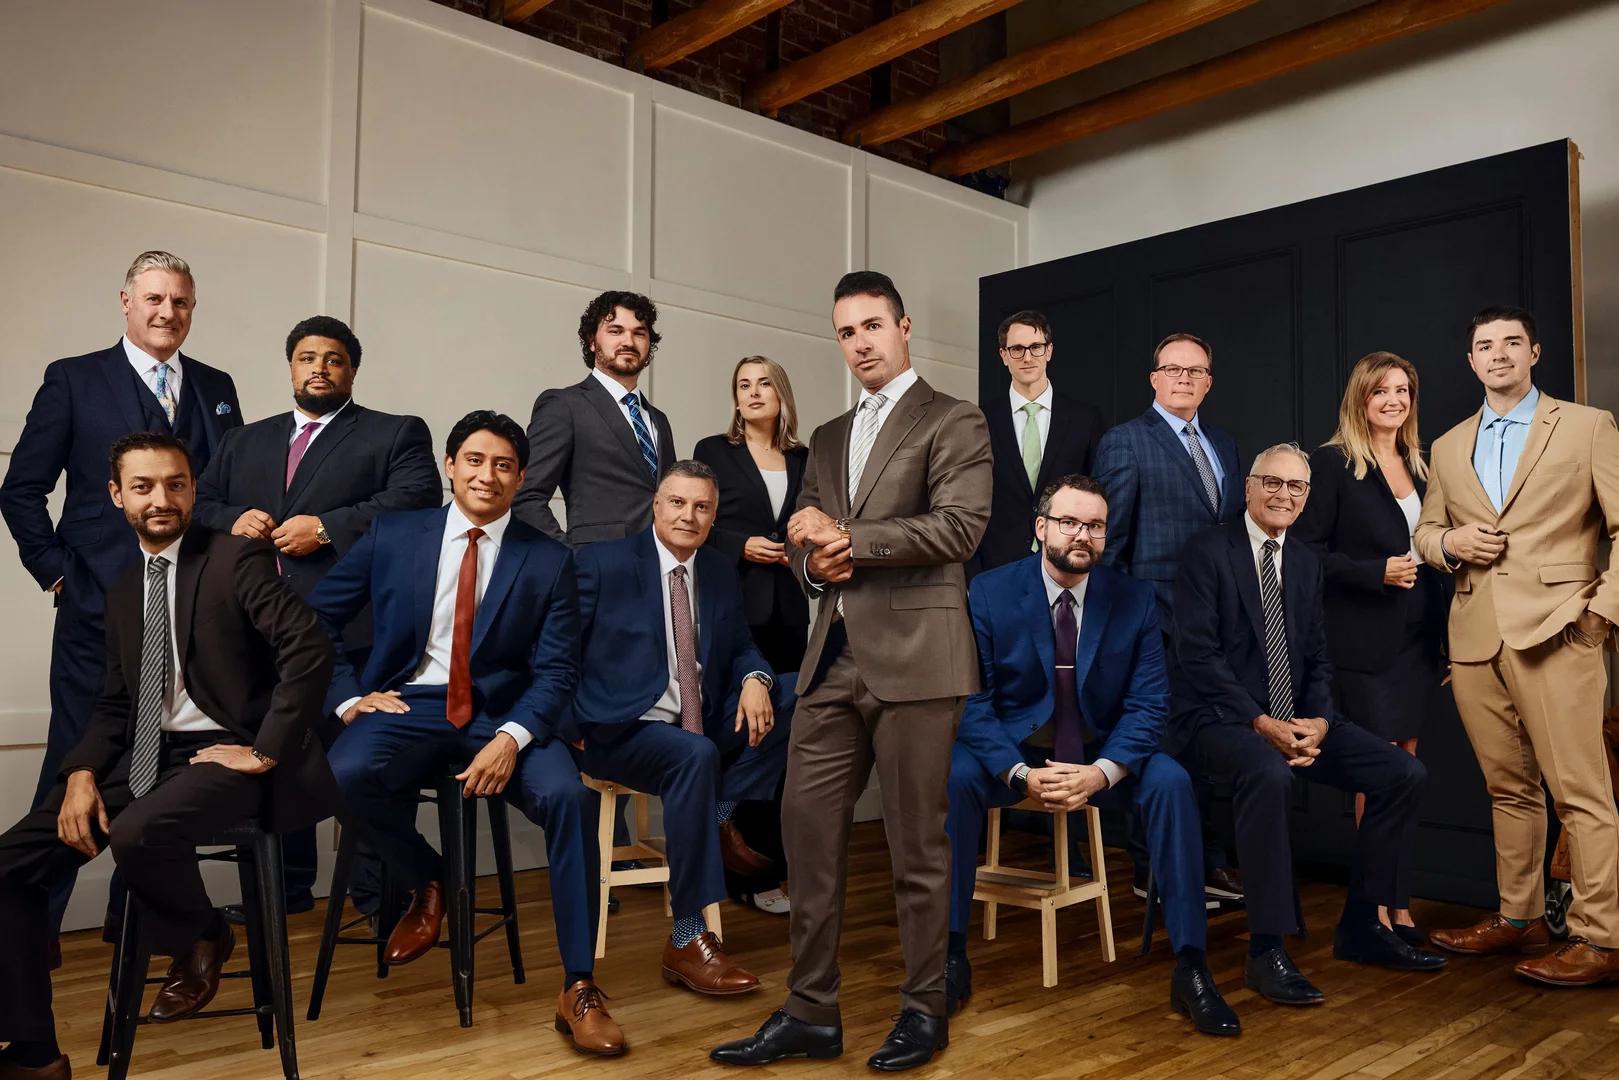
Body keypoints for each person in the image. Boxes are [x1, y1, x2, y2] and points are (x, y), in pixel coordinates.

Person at [713, 271, 992, 1072]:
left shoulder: (955, 420)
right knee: (807, 840)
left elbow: (959, 528)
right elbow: (805, 547)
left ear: (904, 328)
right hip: (830, 658)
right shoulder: (829, 436)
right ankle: (810, 1012)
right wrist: (811, 557)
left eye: (872, 326)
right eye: (845, 332)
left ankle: (923, 1009)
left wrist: (844, 536)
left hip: (918, 659)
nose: (860, 343)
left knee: (916, 849)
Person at [0, 432, 335, 1080]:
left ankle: (202, 934)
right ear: (116, 495)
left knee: (136, 831)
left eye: (175, 484)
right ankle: (36, 1054)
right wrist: (78, 775)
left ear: (191, 489)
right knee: (8, 866)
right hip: (149, 756)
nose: (162, 498)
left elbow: (309, 648)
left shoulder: (234, 558)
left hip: (229, 753)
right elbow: (113, 705)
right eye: (144, 486)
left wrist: (264, 751)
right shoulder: (125, 590)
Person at [307, 411, 625, 1056]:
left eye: (504, 465)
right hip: (409, 702)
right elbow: (313, 619)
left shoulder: (547, 558)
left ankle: (580, 986)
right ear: (451, 467)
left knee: (570, 799)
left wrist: (511, 737)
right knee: (340, 774)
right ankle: (432, 877)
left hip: (500, 713)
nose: (488, 474)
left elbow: (559, 667)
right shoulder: (394, 534)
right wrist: (347, 700)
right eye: (474, 460)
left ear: (522, 478)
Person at [0, 252, 243, 942]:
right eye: (156, 299)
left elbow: (219, 496)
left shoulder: (217, 387)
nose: (169, 313)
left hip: (189, 613)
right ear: (126, 302)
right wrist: (58, 575)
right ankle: (28, 937)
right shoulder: (74, 380)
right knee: (73, 767)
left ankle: (139, 930)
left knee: (160, 772)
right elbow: (20, 491)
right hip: (97, 612)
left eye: (182, 303)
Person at [948, 475, 1239, 1036]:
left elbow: (1151, 703)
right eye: (1069, 522)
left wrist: (1102, 774)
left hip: (1101, 754)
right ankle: (950, 956)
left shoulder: (1133, 599)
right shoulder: (988, 591)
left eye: (1095, 526)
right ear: (1042, 528)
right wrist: (1019, 773)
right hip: (1016, 754)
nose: (1082, 534)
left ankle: (1192, 967)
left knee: (1171, 782)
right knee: (955, 777)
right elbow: (971, 702)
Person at [1168, 443, 1446, 1011]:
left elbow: (1319, 656)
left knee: (1402, 773)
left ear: (1306, 498)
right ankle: (1265, 949)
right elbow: (1197, 657)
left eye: (1296, 488)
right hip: (1221, 718)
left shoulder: (1305, 562)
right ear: (1248, 487)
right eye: (1272, 483)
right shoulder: (1206, 551)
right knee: (1270, 774)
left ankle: (1365, 928)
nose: (1284, 496)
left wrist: (1319, 718)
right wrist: (1260, 720)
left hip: (1299, 717)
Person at [193, 314, 441, 921]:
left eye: (333, 359)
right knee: (276, 762)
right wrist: (231, 519)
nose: (319, 368)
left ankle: (383, 898)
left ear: (352, 370)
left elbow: (417, 500)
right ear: (291, 367)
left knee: (362, 767)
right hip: (258, 635)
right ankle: (285, 890)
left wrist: (329, 528)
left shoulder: (394, 433)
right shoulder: (243, 440)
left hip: (352, 632)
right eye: (308, 358)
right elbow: (198, 499)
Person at [1415, 306, 1619, 986]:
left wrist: (1598, 618)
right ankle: (1519, 918)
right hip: (1474, 639)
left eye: (1509, 343)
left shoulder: (1586, 426)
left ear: (1533, 351)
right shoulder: (1445, 445)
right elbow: (1426, 532)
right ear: (1470, 362)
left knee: (1580, 795)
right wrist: (1447, 544)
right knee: (1507, 791)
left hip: (1560, 627)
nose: (1496, 354)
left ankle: (1600, 938)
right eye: (1483, 346)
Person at [571, 461, 797, 994]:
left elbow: (741, 645)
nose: (688, 516)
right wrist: (571, 724)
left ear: (713, 516)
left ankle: (718, 813)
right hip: (623, 728)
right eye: (677, 502)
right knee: (694, 757)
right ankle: (687, 937)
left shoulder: (717, 570)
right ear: (656, 504)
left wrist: (756, 678)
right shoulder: (601, 563)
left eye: (701, 507)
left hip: (698, 720)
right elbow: (559, 649)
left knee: (806, 692)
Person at [1292, 352, 1447, 944]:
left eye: (1404, 390)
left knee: (1408, 769)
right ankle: (1372, 911)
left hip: (1416, 641)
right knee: (1381, 774)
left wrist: (1446, 642)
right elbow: (1305, 554)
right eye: (1382, 390)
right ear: (1361, 398)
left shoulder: (1420, 463)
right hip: (1361, 643)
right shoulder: (1332, 465)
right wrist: (1373, 572)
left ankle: (1397, 903)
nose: (1394, 400)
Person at [1093, 333, 1243, 905]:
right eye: (1172, 369)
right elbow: (1109, 547)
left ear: (1208, 381)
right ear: (1153, 378)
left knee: (1204, 750)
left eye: (1196, 371)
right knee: (1159, 750)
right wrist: (1122, 633)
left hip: (1214, 630)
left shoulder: (1224, 445)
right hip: (1153, 627)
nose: (1184, 378)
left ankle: (1205, 862)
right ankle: (1151, 870)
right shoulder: (1125, 442)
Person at [693, 356, 809, 915]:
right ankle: (723, 859)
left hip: (789, 610)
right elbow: (693, 521)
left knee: (784, 732)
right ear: (734, 398)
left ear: (781, 393)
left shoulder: (805, 458)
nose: (754, 392)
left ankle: (764, 865)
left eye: (764, 383)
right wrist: (739, 544)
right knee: (741, 725)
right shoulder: (715, 452)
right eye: (743, 384)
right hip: (730, 606)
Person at [513, 291, 676, 547]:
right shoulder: (564, 405)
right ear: (592, 341)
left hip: (658, 568)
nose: (628, 341)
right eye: (615, 331)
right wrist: (569, 561)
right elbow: (526, 496)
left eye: (639, 333)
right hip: (593, 569)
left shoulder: (659, 420)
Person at [970, 310, 1103, 576]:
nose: (1028, 357)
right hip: (996, 567)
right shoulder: (978, 421)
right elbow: (967, 500)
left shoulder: (1085, 419)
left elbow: (1098, 497)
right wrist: (972, 574)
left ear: (1049, 351)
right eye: (1017, 349)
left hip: (1068, 563)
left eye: (1036, 347)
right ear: (1004, 355)